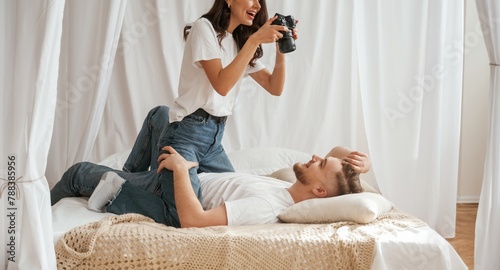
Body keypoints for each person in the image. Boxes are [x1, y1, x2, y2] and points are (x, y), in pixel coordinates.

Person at [122, 0, 299, 204]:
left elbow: (274, 87)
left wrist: (281, 50)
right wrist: (256, 39)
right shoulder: (204, 29)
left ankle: (159, 119)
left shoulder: (239, 42)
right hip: (187, 132)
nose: (257, 5)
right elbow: (221, 84)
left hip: (214, 141)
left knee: (233, 199)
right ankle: (113, 180)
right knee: (180, 209)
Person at [50, 105, 370, 228]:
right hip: (213, 174)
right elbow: (337, 158)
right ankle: (136, 176)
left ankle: (129, 184)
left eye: (322, 163)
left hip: (186, 188)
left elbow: (194, 220)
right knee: (160, 115)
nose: (317, 155)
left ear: (319, 190)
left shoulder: (267, 207)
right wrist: (360, 162)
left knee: (78, 173)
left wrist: (179, 170)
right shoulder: (291, 189)